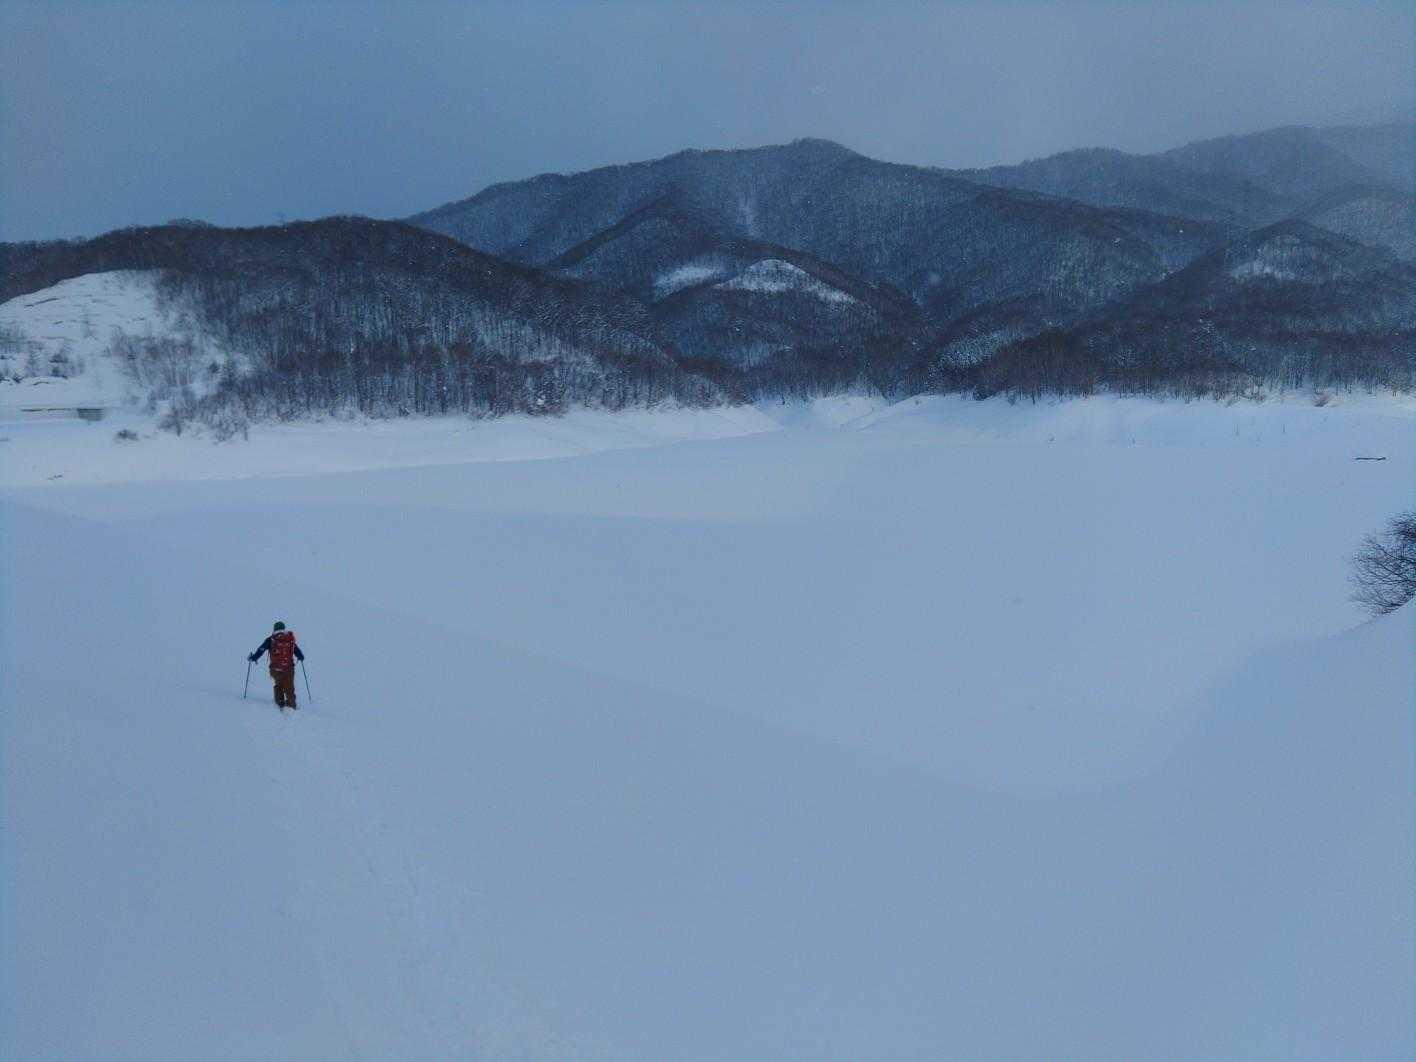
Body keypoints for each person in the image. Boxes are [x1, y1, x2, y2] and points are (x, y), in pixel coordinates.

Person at [248, 621, 305, 709]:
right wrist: (301, 657)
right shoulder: (289, 639)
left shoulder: (271, 639)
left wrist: (254, 657)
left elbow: (261, 649)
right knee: (289, 687)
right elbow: (297, 651)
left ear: (274, 629)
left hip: (275, 668)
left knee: (278, 685)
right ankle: (291, 705)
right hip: (289, 668)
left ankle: (279, 703)